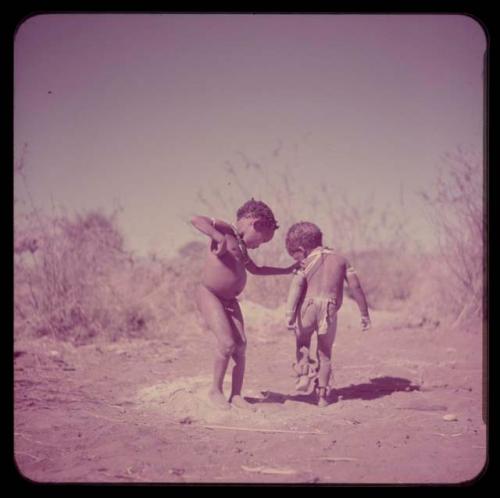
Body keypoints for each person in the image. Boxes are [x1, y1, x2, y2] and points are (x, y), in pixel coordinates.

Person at [191, 199, 298, 411]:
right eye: (262, 241)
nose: (259, 246)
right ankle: (215, 390)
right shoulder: (226, 230)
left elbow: (256, 270)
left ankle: (237, 394)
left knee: (241, 347)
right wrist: (216, 236)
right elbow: (197, 220)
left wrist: (286, 270)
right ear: (254, 223)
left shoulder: (241, 248)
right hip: (210, 294)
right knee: (227, 343)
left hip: (230, 301)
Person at [284, 221, 371, 407]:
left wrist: (289, 314)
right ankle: (322, 397)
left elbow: (296, 286)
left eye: (294, 254)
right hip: (330, 310)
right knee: (325, 354)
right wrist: (364, 314)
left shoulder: (306, 263)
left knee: (302, 342)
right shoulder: (341, 260)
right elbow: (355, 286)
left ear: (302, 248)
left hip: (307, 308)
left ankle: (303, 372)